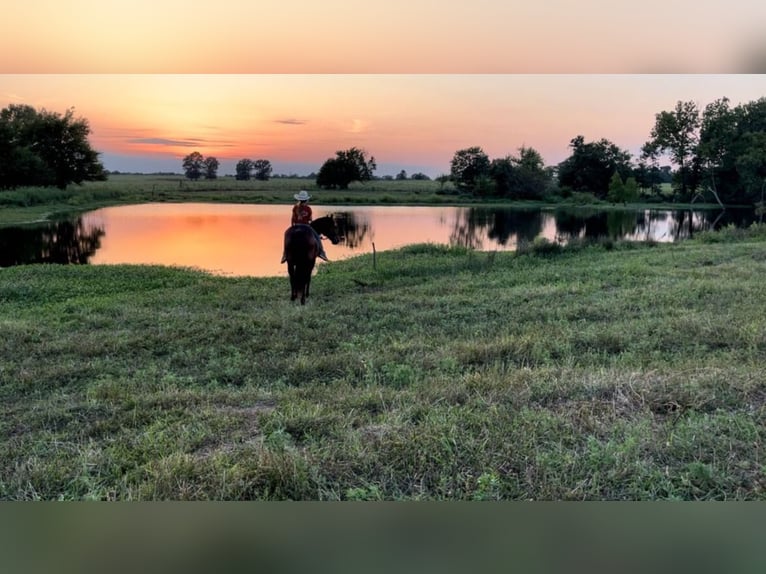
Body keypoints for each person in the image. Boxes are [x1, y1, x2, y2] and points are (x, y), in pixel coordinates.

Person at [281, 190, 329, 263]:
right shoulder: (308, 209)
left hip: (296, 226)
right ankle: (322, 252)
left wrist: (292, 227)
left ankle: (285, 254)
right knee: (316, 236)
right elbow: (310, 220)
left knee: (286, 235)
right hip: (306, 226)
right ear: (306, 200)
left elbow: (293, 218)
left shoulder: (295, 208)